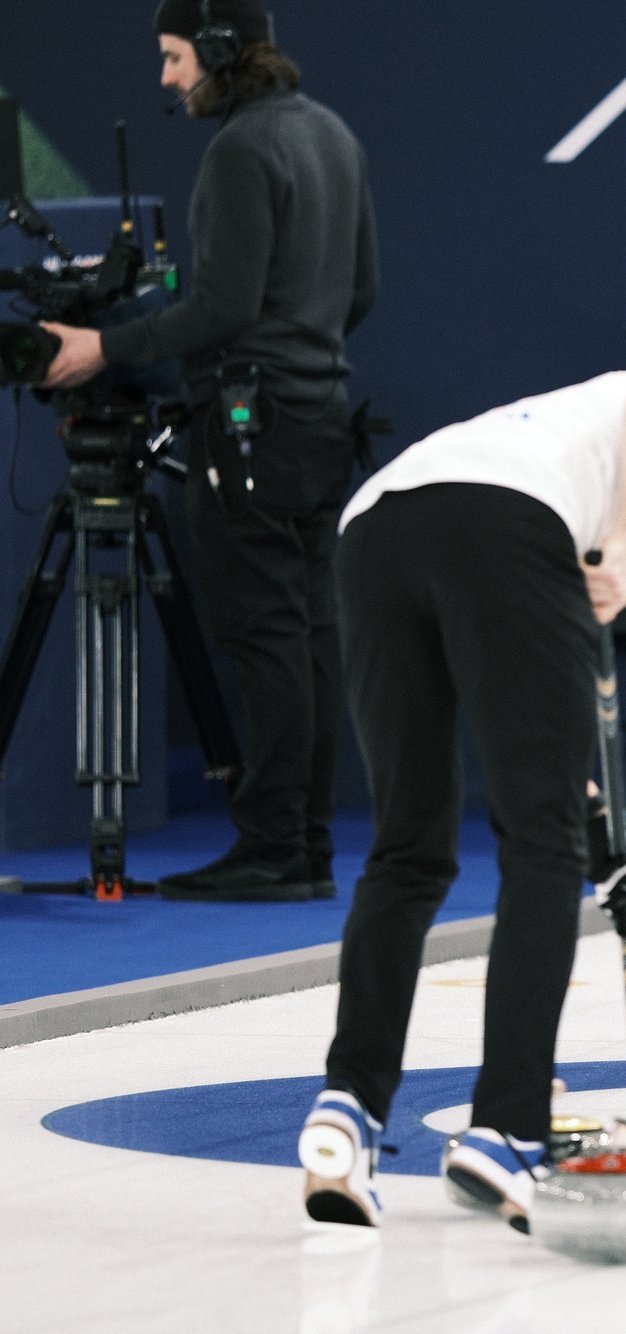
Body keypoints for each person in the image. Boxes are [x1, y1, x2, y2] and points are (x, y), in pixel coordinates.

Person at [294, 353, 626, 1231]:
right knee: (540, 852)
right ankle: (507, 1126)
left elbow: (536, 743)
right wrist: (621, 535)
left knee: (409, 848)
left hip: (375, 529)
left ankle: (348, 1106)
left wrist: (596, 816)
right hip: (501, 522)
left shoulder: (557, 452)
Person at [40, 0, 378, 903]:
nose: (166, 77)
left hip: (251, 431)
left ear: (223, 51)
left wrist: (101, 348)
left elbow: (222, 308)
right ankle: (299, 847)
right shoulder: (332, 135)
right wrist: (300, 348)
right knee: (305, 636)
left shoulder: (239, 150)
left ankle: (274, 849)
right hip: (318, 421)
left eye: (174, 56)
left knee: (270, 643)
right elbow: (361, 289)